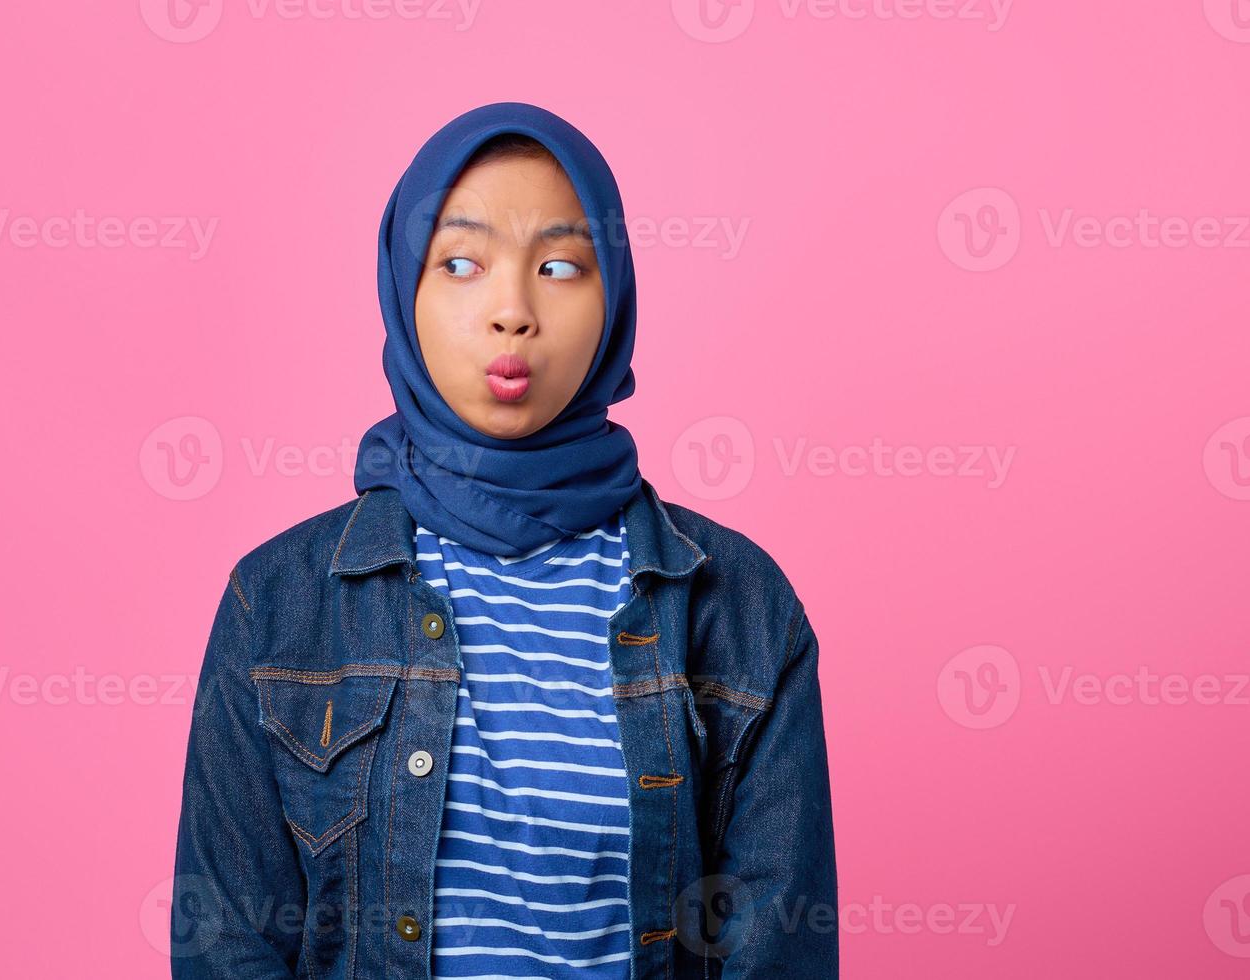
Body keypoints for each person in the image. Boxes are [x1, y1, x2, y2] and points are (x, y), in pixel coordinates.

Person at [170, 101, 838, 979]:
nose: (512, 311)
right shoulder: (280, 601)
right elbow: (226, 945)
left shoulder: (739, 608)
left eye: (559, 265)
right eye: (460, 263)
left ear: (617, 299)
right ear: (403, 289)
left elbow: (775, 955)